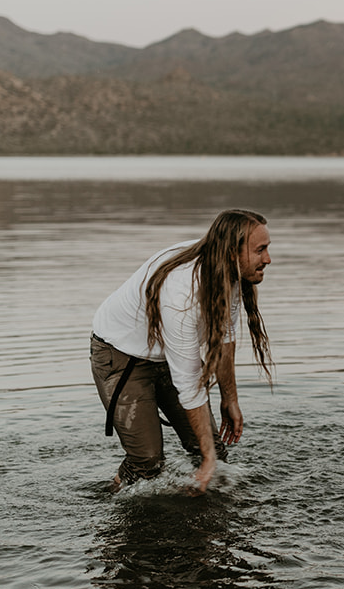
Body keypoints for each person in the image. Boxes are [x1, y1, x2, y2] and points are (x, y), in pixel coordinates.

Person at [90, 209, 273, 493]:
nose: (268, 259)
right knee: (147, 464)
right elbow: (189, 386)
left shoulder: (230, 275)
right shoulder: (182, 293)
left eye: (267, 248)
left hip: (167, 352)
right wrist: (208, 460)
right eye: (260, 250)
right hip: (123, 355)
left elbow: (224, 336)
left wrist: (230, 399)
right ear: (231, 252)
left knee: (214, 452)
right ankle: (105, 502)